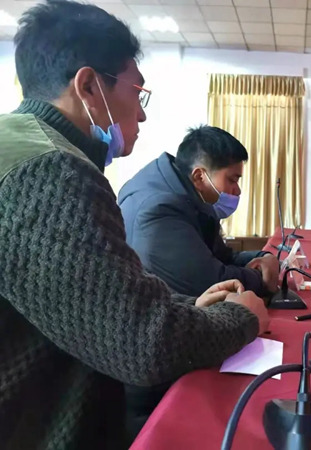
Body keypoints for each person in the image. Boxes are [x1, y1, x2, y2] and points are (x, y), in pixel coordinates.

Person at [0, 2, 269, 448]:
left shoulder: (18, 144)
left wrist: (189, 308)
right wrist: (243, 318)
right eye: (137, 92)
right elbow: (141, 344)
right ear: (89, 87)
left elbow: (89, 300)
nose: (141, 115)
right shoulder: (51, 170)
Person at [118, 126, 280, 298]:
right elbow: (210, 281)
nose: (237, 190)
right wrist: (262, 277)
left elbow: (220, 256)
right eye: (232, 180)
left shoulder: (190, 197)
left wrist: (263, 257)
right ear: (199, 177)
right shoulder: (160, 210)